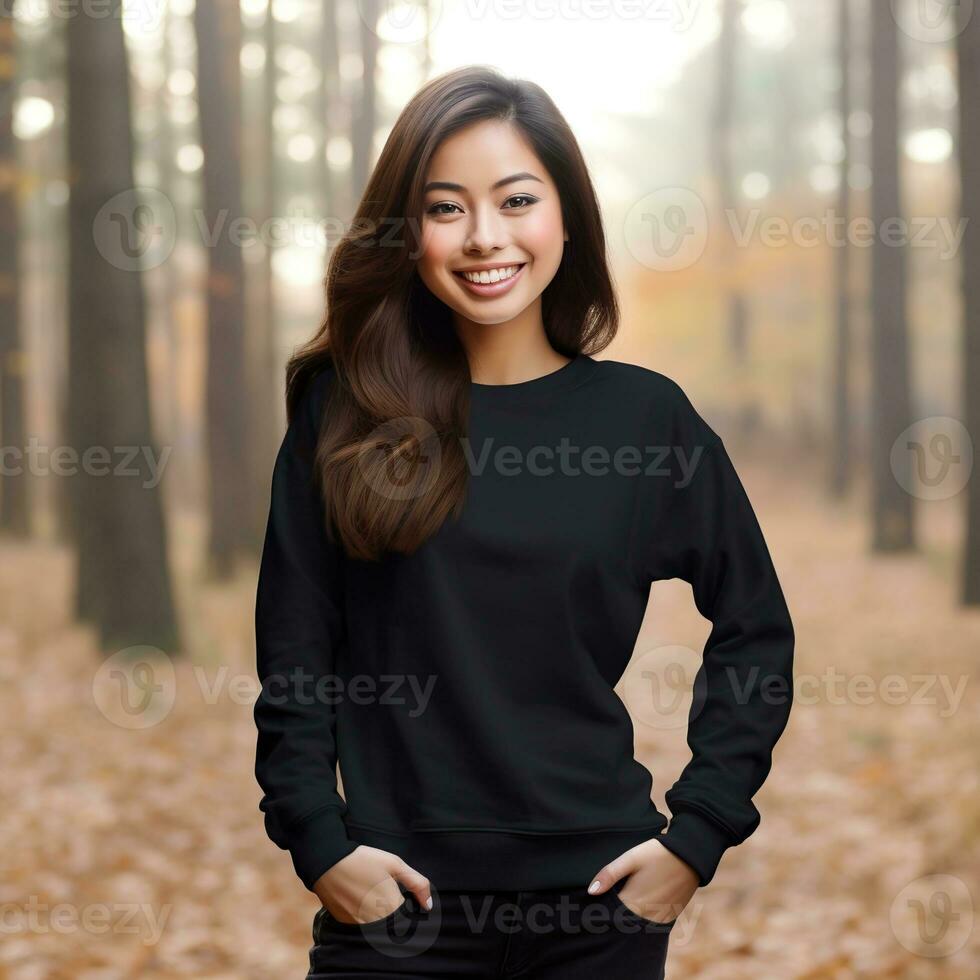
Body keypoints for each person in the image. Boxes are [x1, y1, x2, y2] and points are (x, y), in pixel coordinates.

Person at [253, 65, 795, 979]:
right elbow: (295, 654)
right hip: (392, 914)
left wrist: (697, 836)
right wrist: (321, 845)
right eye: (446, 208)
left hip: (595, 910)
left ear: (565, 215)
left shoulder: (644, 421)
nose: (485, 237)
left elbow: (756, 630)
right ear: (409, 231)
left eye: (515, 199)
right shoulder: (346, 416)